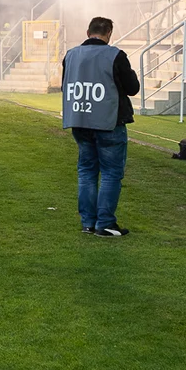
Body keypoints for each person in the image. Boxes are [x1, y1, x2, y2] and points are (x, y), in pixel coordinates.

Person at [61, 17, 140, 237]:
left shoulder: (70, 55)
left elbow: (65, 85)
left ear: (88, 32)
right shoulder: (116, 55)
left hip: (80, 119)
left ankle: (88, 222)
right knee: (111, 173)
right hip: (108, 122)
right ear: (109, 33)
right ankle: (104, 223)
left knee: (86, 172)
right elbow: (132, 88)